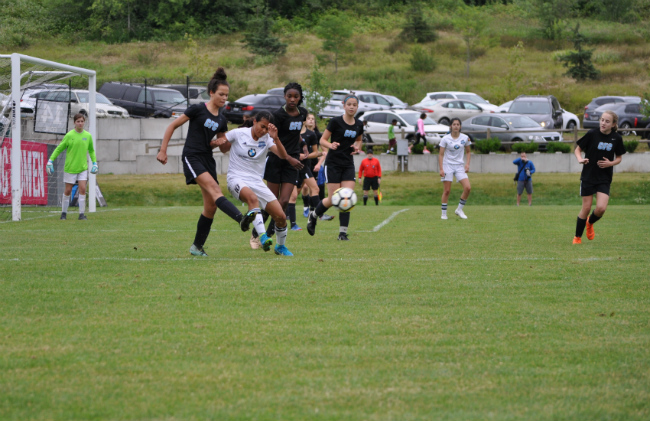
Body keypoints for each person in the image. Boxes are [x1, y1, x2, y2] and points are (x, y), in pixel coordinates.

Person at [157, 67, 253, 257]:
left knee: (211, 206)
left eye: (227, 95)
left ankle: (197, 247)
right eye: (221, 94)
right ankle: (241, 219)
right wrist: (162, 150)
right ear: (211, 93)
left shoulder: (222, 120)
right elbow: (172, 125)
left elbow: (224, 148)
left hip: (207, 159)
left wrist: (223, 141)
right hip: (192, 156)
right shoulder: (197, 109)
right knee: (216, 191)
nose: (224, 98)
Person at [221, 111, 296, 256]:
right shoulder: (238, 133)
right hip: (236, 178)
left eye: (267, 129)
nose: (264, 131)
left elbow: (282, 155)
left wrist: (276, 138)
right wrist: (218, 142)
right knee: (252, 199)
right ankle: (262, 236)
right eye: (262, 126)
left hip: (256, 181)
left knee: (280, 216)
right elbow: (222, 146)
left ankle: (280, 247)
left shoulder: (267, 138)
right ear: (254, 122)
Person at [307, 94, 364, 240]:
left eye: (354, 105)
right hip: (333, 164)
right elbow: (322, 140)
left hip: (348, 164)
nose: (352, 107)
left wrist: (357, 148)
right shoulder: (335, 122)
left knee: (346, 197)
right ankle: (314, 216)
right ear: (344, 105)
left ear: (357, 107)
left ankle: (342, 234)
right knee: (333, 199)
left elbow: (359, 141)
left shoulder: (359, 124)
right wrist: (330, 145)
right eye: (349, 104)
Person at [572, 110, 625, 244]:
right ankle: (577, 237)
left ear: (613, 124)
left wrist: (610, 163)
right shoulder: (592, 134)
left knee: (601, 208)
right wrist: (580, 159)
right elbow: (577, 149)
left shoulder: (616, 138)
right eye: (602, 120)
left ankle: (590, 222)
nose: (603, 123)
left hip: (604, 177)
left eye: (607, 121)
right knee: (587, 208)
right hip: (589, 176)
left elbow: (619, 158)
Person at [261, 82, 306, 239]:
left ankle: (269, 232)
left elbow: (295, 135)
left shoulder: (303, 113)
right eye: (289, 96)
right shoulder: (277, 115)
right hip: (276, 159)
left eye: (296, 96)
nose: (292, 99)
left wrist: (303, 146)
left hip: (292, 161)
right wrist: (287, 157)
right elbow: (273, 139)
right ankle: (257, 232)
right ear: (284, 97)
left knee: (285, 200)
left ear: (300, 98)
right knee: (271, 202)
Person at [46, 113, 98, 220]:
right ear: (74, 123)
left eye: (82, 121)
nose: (80, 123)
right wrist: (50, 161)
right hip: (70, 168)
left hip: (82, 168)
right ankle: (63, 213)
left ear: (84, 122)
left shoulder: (88, 136)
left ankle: (81, 214)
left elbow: (91, 150)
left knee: (82, 189)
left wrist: (94, 163)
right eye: (78, 121)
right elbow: (59, 148)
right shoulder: (69, 135)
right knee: (68, 191)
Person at [438, 117, 471, 220]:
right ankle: (444, 214)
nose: (456, 126)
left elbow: (468, 151)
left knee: (467, 188)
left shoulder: (465, 138)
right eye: (454, 124)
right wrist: (441, 169)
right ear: (451, 126)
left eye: (457, 124)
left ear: (460, 126)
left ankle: (459, 209)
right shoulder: (445, 139)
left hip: (459, 166)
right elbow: (441, 154)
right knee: (447, 190)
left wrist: (467, 164)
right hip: (448, 165)